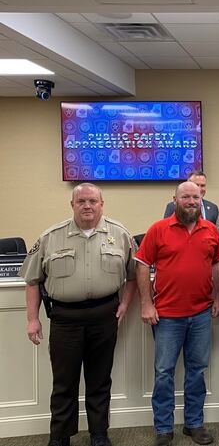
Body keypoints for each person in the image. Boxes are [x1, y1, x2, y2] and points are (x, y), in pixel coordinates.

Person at [20, 183, 137, 446]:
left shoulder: (120, 234)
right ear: (72, 205)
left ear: (101, 204)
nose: (87, 206)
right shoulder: (51, 237)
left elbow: (134, 276)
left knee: (100, 379)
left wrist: (126, 304)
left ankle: (99, 433)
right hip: (65, 318)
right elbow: (32, 280)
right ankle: (60, 436)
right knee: (64, 383)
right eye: (81, 201)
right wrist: (32, 318)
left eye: (93, 201)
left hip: (104, 317)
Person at [136, 181, 219, 446]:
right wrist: (145, 303)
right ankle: (164, 427)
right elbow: (141, 264)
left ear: (202, 199)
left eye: (195, 197)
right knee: (164, 372)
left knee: (197, 371)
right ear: (175, 199)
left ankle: (194, 424)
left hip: (200, 313)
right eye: (185, 197)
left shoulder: (210, 230)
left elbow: (218, 263)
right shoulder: (158, 229)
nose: (191, 201)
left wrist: (218, 296)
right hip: (167, 315)